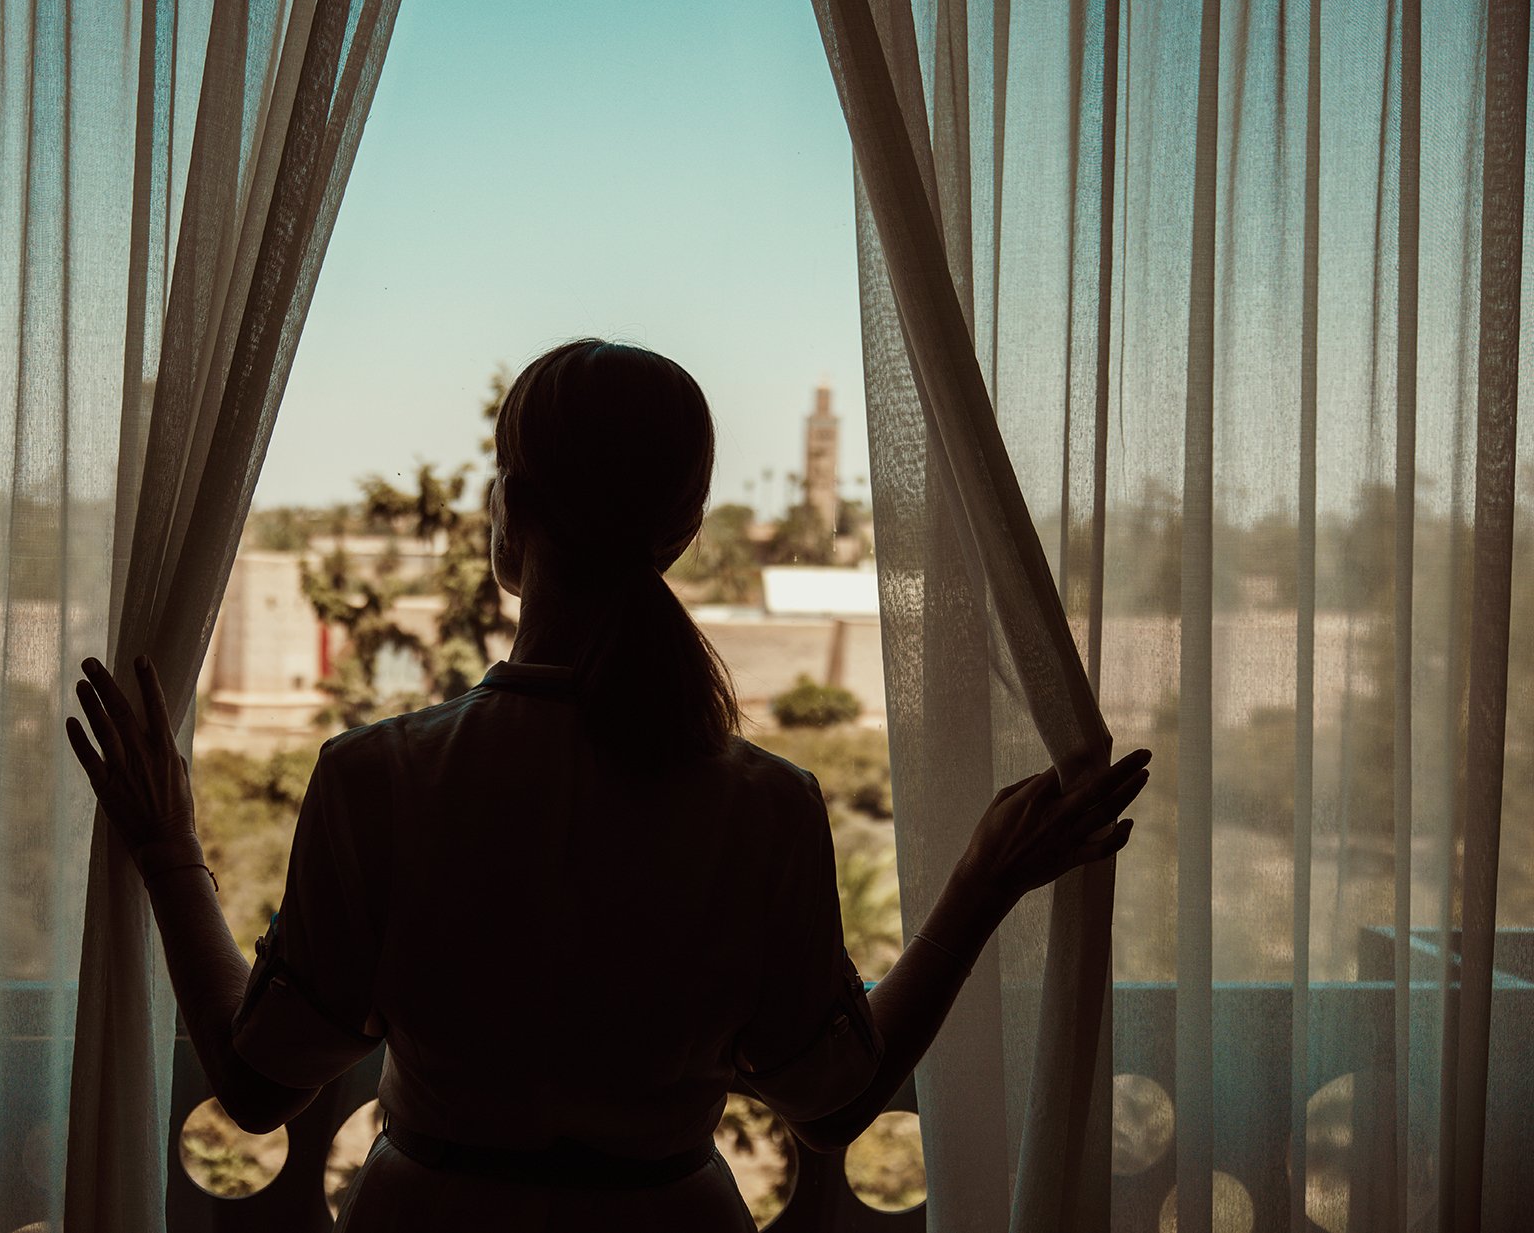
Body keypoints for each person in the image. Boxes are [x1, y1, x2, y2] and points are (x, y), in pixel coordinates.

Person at [66, 339, 1149, 1232]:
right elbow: (831, 1100)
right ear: (679, 535)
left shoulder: (375, 778)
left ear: (507, 511)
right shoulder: (764, 803)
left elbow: (259, 1086)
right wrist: (980, 882)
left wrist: (169, 855)